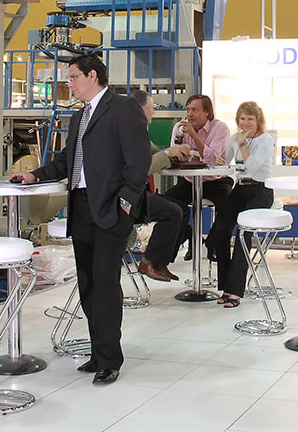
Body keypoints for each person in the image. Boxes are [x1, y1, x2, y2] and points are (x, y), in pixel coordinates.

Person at [13, 55, 149, 385]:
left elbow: (138, 159)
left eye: (73, 77)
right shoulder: (79, 117)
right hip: (82, 207)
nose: (69, 83)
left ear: (92, 75)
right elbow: (66, 161)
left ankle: (110, 359)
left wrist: (125, 203)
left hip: (111, 208)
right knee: (87, 282)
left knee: (105, 282)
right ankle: (98, 352)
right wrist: (35, 175)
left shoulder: (123, 108)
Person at [208, 101, 275, 307]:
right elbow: (225, 162)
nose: (245, 123)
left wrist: (242, 143)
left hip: (261, 190)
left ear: (258, 121)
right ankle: (226, 286)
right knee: (220, 230)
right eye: (242, 119)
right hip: (240, 188)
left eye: (250, 119)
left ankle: (235, 291)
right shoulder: (234, 139)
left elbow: (253, 167)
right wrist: (218, 161)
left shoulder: (265, 140)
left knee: (243, 235)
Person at [163, 94, 232, 259]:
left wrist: (194, 136)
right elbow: (176, 156)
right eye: (188, 110)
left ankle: (213, 243)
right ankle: (191, 235)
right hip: (189, 180)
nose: (190, 114)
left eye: (195, 110)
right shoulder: (179, 127)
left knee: (230, 205)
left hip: (215, 181)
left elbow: (212, 161)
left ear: (207, 112)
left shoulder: (220, 128)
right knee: (165, 204)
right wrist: (190, 152)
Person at [127, 89, 185, 282]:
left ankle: (160, 263)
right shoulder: (129, 132)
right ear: (141, 108)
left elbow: (154, 152)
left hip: (138, 194)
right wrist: (168, 154)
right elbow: (141, 168)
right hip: (128, 199)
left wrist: (175, 151)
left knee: (182, 209)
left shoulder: (139, 130)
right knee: (173, 212)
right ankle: (148, 261)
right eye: (152, 107)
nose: (154, 112)